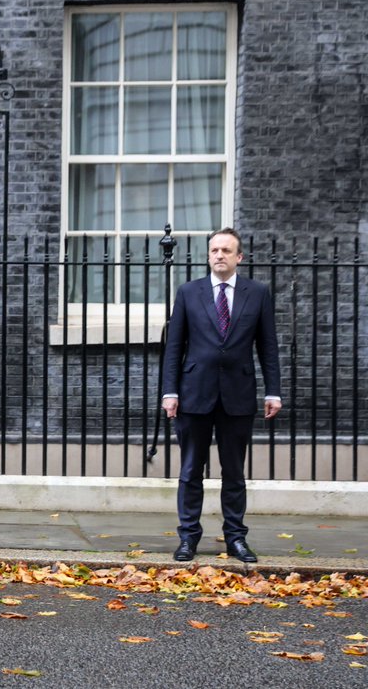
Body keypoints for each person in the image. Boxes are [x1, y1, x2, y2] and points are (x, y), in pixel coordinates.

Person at [161, 227, 282, 564]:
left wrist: (274, 391)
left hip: (238, 395)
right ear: (208, 255)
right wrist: (170, 391)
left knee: (234, 472)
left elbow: (267, 346)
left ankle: (236, 539)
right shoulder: (189, 292)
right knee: (190, 472)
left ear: (238, 257)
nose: (219, 256)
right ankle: (188, 538)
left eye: (226, 251)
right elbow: (175, 347)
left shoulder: (257, 293)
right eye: (214, 250)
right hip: (193, 394)